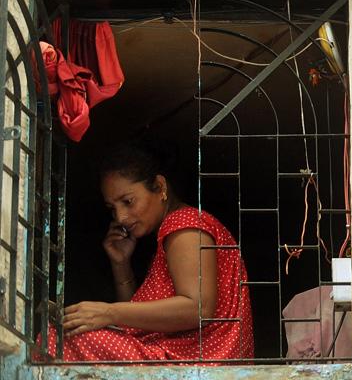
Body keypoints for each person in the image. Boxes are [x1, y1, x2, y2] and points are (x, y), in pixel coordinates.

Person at [46, 143, 253, 362]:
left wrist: (108, 312)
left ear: (160, 186)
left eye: (128, 201)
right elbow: (135, 327)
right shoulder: (171, 232)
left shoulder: (184, 223)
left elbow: (197, 308)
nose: (121, 217)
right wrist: (121, 264)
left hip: (197, 363)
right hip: (176, 359)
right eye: (112, 208)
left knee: (57, 339)